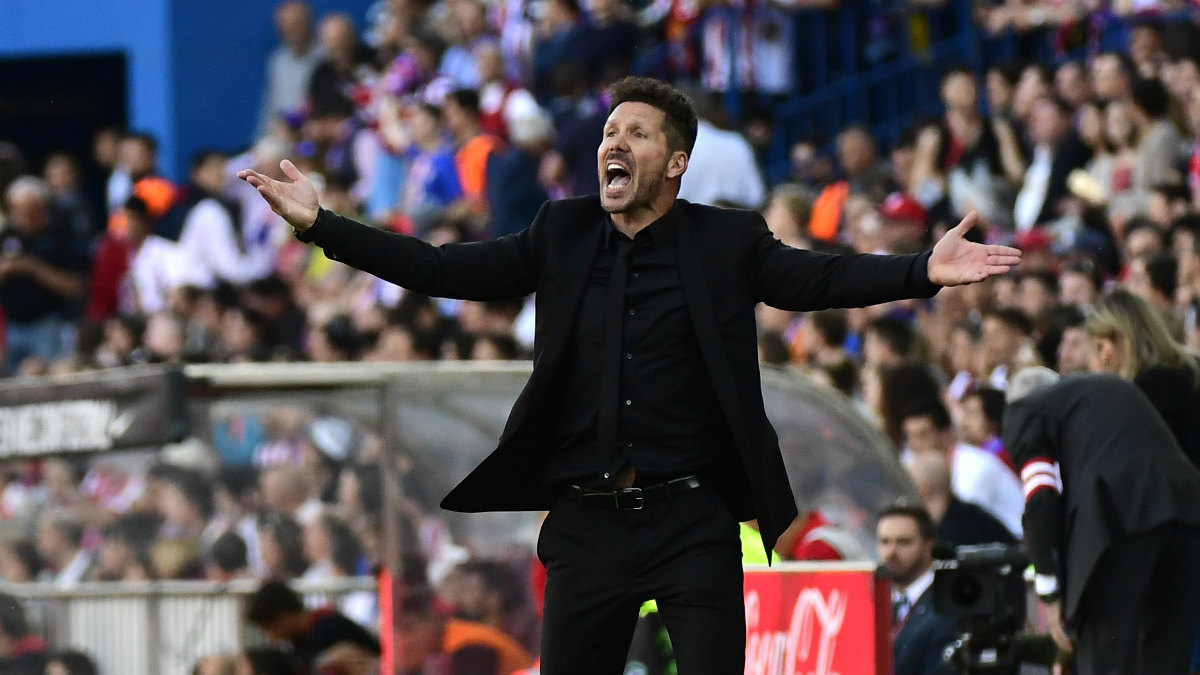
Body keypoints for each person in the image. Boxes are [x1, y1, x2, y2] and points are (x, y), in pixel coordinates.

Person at [239, 76, 1020, 674]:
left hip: (694, 519)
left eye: (638, 133)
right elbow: (442, 267)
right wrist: (321, 225)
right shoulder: (561, 230)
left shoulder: (724, 242)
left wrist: (922, 269)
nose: (615, 140)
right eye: (611, 130)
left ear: (675, 162)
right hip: (587, 522)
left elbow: (817, 281)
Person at [1004, 367, 1200, 674]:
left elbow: (1041, 496)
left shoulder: (1026, 410)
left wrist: (1050, 591)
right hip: (1188, 512)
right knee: (1165, 662)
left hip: (1117, 524)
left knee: (1107, 660)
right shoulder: (1111, 388)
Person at [1086, 288, 1200, 468]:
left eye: (1101, 346)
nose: (1103, 358)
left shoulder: (1141, 393)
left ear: (1121, 337)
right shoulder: (1192, 367)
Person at [876, 505, 957, 675]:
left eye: (903, 542)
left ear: (929, 546)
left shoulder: (947, 606)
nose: (891, 552)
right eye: (885, 541)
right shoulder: (874, 602)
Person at [244, 580, 380, 675]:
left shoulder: (329, 627)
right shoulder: (299, 642)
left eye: (270, 629)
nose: (272, 638)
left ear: (283, 617)